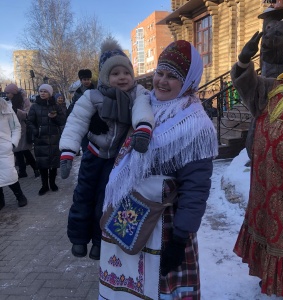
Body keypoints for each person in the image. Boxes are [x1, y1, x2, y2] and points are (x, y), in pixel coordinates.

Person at [98, 40, 218, 300]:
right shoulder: (142, 105)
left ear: (189, 81)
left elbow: (195, 188)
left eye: (172, 76)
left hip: (166, 227)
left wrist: (179, 239)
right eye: (159, 73)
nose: (162, 81)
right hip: (129, 218)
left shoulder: (195, 126)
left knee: (159, 289)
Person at [59, 37, 155, 261]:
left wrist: (143, 128)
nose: (122, 77)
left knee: (106, 200)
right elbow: (76, 122)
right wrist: (67, 152)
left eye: (126, 73)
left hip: (116, 160)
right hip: (94, 155)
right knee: (83, 195)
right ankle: (79, 239)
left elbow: (143, 109)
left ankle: (99, 242)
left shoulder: (137, 94)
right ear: (104, 76)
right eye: (115, 74)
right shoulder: (92, 97)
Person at [230, 18, 283, 300]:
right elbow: (248, 87)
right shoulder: (275, 89)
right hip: (269, 193)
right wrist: (244, 62)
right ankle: (273, 278)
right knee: (272, 237)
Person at [26, 84, 66, 196]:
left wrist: (55, 118)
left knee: (53, 163)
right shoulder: (34, 106)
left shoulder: (55, 106)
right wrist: (36, 132)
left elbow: (62, 120)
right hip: (41, 139)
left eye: (45, 91)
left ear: (50, 93)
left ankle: (52, 183)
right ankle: (44, 185)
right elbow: (29, 121)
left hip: (54, 138)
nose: (42, 93)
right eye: (41, 91)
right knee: (42, 163)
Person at [4, 84, 40, 178]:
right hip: (12, 129)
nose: (7, 95)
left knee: (25, 151)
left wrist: (17, 111)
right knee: (17, 151)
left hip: (23, 129)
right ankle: (22, 171)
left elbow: (28, 114)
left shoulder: (24, 100)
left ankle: (36, 168)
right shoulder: (8, 102)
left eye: (8, 93)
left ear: (13, 92)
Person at [0, 97, 28, 210]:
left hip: (4, 148)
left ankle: (20, 196)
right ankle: (1, 200)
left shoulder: (6, 108)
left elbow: (16, 127)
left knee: (9, 174)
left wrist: (12, 143)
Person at [67, 69, 95, 153]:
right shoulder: (78, 92)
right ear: (81, 80)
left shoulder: (95, 90)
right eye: (84, 79)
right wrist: (69, 113)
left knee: (94, 145)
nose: (86, 81)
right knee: (85, 145)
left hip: (94, 121)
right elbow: (73, 104)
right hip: (82, 121)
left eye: (88, 79)